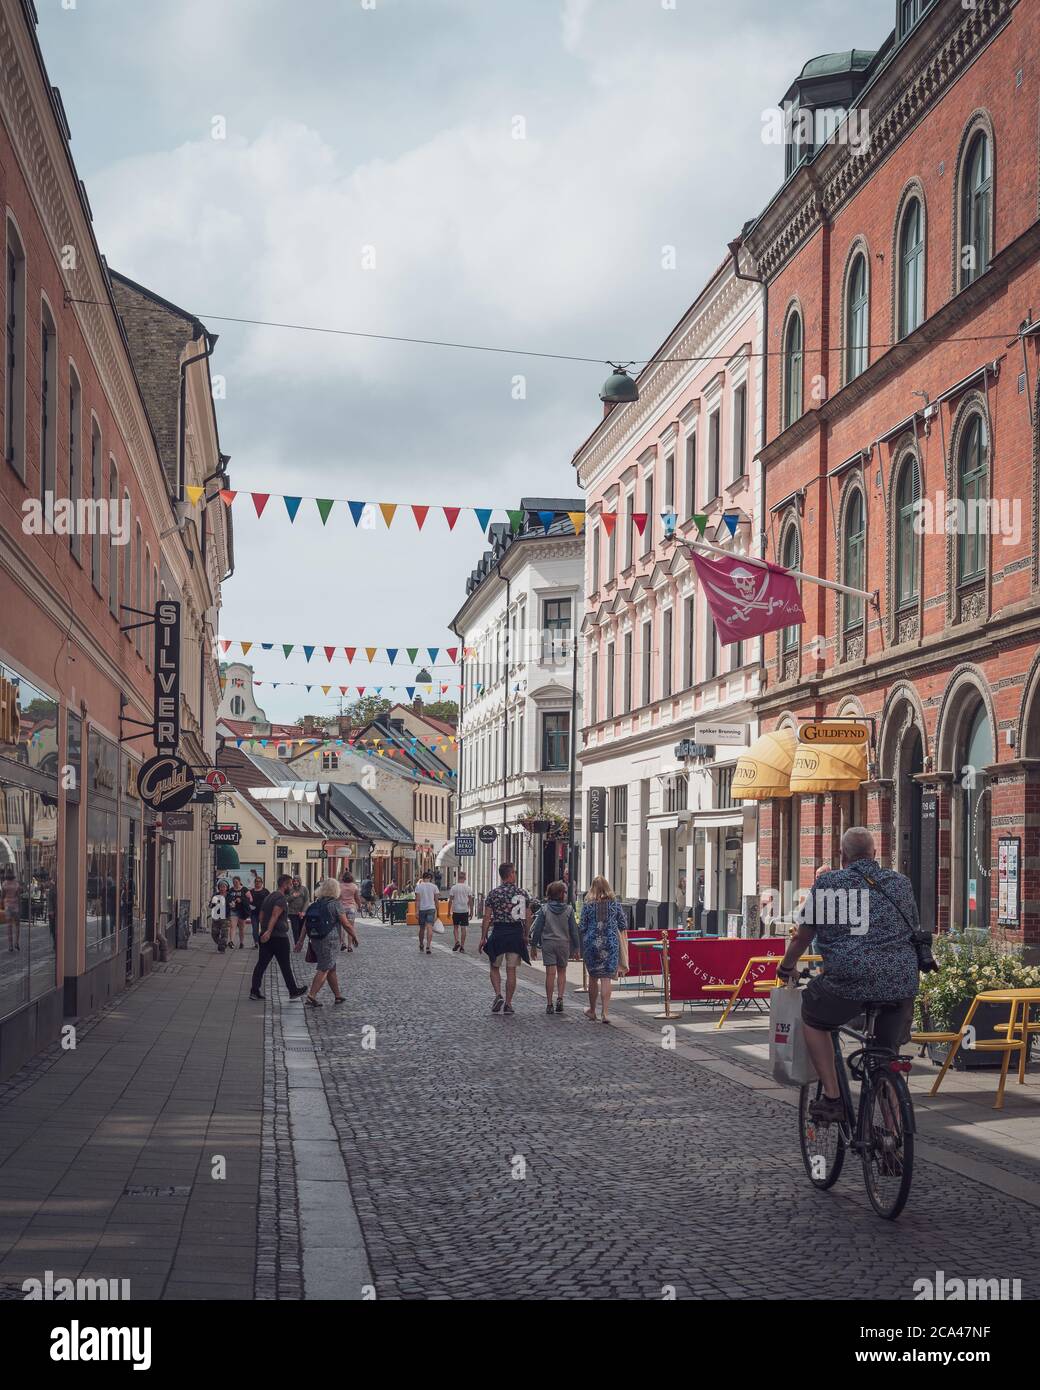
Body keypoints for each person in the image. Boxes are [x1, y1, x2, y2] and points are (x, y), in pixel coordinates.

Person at [777, 827, 921, 1124]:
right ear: (875, 854)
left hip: (850, 980)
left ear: (842, 856)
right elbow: (913, 930)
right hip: (901, 982)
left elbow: (803, 937)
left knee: (813, 1016)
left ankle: (833, 1098)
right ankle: (894, 1134)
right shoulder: (901, 883)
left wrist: (786, 967)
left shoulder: (828, 883)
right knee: (885, 1057)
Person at [294, 876, 358, 1007]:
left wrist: (300, 941)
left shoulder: (315, 904)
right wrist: (354, 935)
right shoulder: (335, 904)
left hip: (316, 939)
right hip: (330, 940)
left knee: (331, 967)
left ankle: (337, 996)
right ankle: (311, 996)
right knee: (324, 968)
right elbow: (345, 923)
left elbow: (306, 924)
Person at [479, 862, 531, 1016]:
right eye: (514, 872)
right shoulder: (522, 893)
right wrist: (526, 935)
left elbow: (487, 917)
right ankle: (508, 1003)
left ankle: (498, 994)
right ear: (510, 874)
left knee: (494, 967)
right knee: (511, 970)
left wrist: (483, 937)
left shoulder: (494, 893)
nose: (515, 874)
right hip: (515, 934)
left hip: (499, 933)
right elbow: (528, 916)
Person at [250, 874, 308, 1002]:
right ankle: (293, 991)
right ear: (285, 885)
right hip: (278, 937)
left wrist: (263, 929)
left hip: (267, 936)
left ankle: (254, 991)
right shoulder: (281, 898)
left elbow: (261, 914)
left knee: (261, 964)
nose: (291, 887)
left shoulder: (269, 896)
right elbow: (275, 915)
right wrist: (269, 931)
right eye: (290, 884)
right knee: (285, 965)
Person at [579, 876, 627, 1023]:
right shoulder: (615, 904)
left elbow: (582, 926)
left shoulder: (587, 906)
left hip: (592, 944)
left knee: (593, 977)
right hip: (611, 943)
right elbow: (623, 923)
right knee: (606, 978)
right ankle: (605, 1013)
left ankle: (592, 1010)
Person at [530, 880, 580, 1014]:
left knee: (550, 974)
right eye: (564, 892)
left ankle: (549, 1003)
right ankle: (560, 998)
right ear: (560, 895)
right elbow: (574, 930)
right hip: (563, 944)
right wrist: (576, 948)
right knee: (562, 972)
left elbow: (538, 928)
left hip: (548, 943)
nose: (565, 894)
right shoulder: (569, 909)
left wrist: (533, 945)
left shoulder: (545, 909)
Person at [448, 872, 473, 953]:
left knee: (455, 927)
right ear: (465, 878)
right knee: (463, 928)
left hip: (456, 910)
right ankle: (462, 946)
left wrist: (448, 911)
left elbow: (450, 900)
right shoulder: (468, 888)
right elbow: (470, 900)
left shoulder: (454, 888)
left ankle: (456, 941)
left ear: (458, 878)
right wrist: (471, 911)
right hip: (464, 910)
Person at [414, 871, 438, 955]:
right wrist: (437, 912)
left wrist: (416, 911)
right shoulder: (434, 887)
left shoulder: (419, 887)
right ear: (430, 878)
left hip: (422, 909)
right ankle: (428, 946)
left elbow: (417, 900)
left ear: (423, 878)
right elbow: (436, 900)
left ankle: (421, 944)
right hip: (431, 909)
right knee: (429, 927)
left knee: (422, 928)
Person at [339, 872, 362, 952]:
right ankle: (349, 946)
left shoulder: (340, 886)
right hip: (351, 908)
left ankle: (343, 943)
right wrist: (359, 906)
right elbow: (357, 898)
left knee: (342, 927)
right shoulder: (354, 886)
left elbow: (338, 897)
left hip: (342, 908)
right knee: (350, 927)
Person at [287, 876, 309, 946]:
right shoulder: (290, 889)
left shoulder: (304, 889)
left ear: (299, 881)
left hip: (302, 913)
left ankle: (300, 941)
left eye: (297, 881)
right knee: (295, 929)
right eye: (294, 881)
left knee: (301, 929)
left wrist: (303, 911)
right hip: (292, 912)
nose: (295, 882)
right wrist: (293, 896)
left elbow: (306, 900)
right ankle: (297, 944)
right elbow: (287, 899)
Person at [226, 875, 247, 949]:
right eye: (233, 882)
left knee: (241, 927)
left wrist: (241, 900)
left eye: (236, 882)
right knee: (232, 926)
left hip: (242, 910)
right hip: (234, 910)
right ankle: (231, 941)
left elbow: (249, 899)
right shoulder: (231, 890)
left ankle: (241, 942)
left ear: (240, 882)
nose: (235, 883)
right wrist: (230, 903)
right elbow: (227, 898)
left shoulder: (244, 889)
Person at [249, 877, 269, 948]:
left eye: (259, 881)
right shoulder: (251, 891)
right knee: (255, 929)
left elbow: (269, 901)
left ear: (262, 883)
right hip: (254, 913)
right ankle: (256, 943)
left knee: (264, 928)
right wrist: (250, 906)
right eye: (256, 881)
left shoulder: (265, 891)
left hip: (263, 913)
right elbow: (247, 900)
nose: (257, 883)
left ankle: (264, 941)